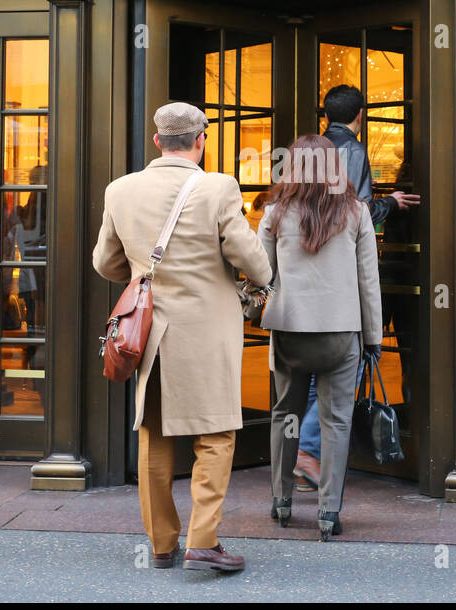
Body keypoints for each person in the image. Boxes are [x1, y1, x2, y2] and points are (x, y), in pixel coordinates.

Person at [92, 102, 272, 573]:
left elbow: (105, 263)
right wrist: (260, 275)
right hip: (208, 329)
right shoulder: (218, 186)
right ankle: (203, 540)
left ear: (157, 141)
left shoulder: (120, 190)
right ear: (201, 139)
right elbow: (249, 258)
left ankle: (161, 545)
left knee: (153, 434)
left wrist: (143, 272)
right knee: (215, 433)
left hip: (149, 330)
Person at [294, 84, 420, 491]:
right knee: (342, 368)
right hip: (340, 277)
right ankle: (310, 453)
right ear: (360, 114)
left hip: (303, 281)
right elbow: (359, 213)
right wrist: (392, 203)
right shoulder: (355, 150)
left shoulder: (308, 153)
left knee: (312, 374)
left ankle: (306, 454)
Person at [258, 134, 383, 540]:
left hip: (290, 329)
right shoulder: (357, 212)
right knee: (336, 422)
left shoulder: (275, 213)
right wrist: (374, 337)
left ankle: (281, 501)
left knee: (285, 415)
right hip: (341, 331)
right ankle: (329, 513)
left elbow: (262, 275)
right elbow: (368, 282)